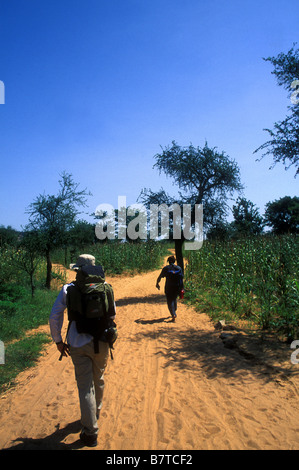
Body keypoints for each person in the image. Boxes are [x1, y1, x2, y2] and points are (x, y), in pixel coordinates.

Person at [49, 254, 116, 447]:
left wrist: (58, 341)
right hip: (102, 341)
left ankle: (90, 431)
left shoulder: (68, 289)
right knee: (99, 379)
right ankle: (94, 414)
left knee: (85, 386)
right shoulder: (106, 287)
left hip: (77, 344)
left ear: (78, 270)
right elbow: (112, 313)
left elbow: (55, 316)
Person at [156, 255, 184, 322]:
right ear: (174, 261)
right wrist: (182, 287)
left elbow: (160, 277)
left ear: (168, 261)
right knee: (174, 299)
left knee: (169, 301)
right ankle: (174, 310)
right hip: (177, 286)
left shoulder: (166, 268)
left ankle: (173, 314)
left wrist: (157, 283)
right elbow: (181, 278)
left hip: (169, 287)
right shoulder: (179, 268)